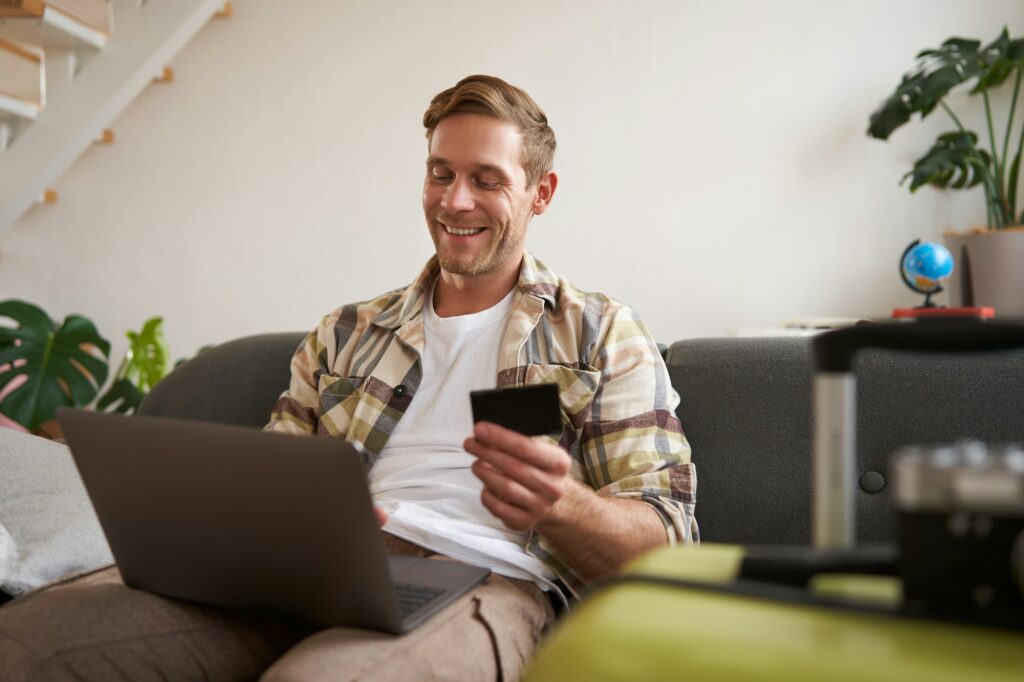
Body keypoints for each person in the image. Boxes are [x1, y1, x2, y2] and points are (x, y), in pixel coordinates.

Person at [0, 75, 696, 682]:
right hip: (310, 574)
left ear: (540, 192)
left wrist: (560, 504)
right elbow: (264, 481)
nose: (455, 201)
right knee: (33, 646)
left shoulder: (599, 332)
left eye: (487, 179)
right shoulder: (346, 332)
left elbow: (667, 543)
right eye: (439, 173)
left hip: (486, 579)